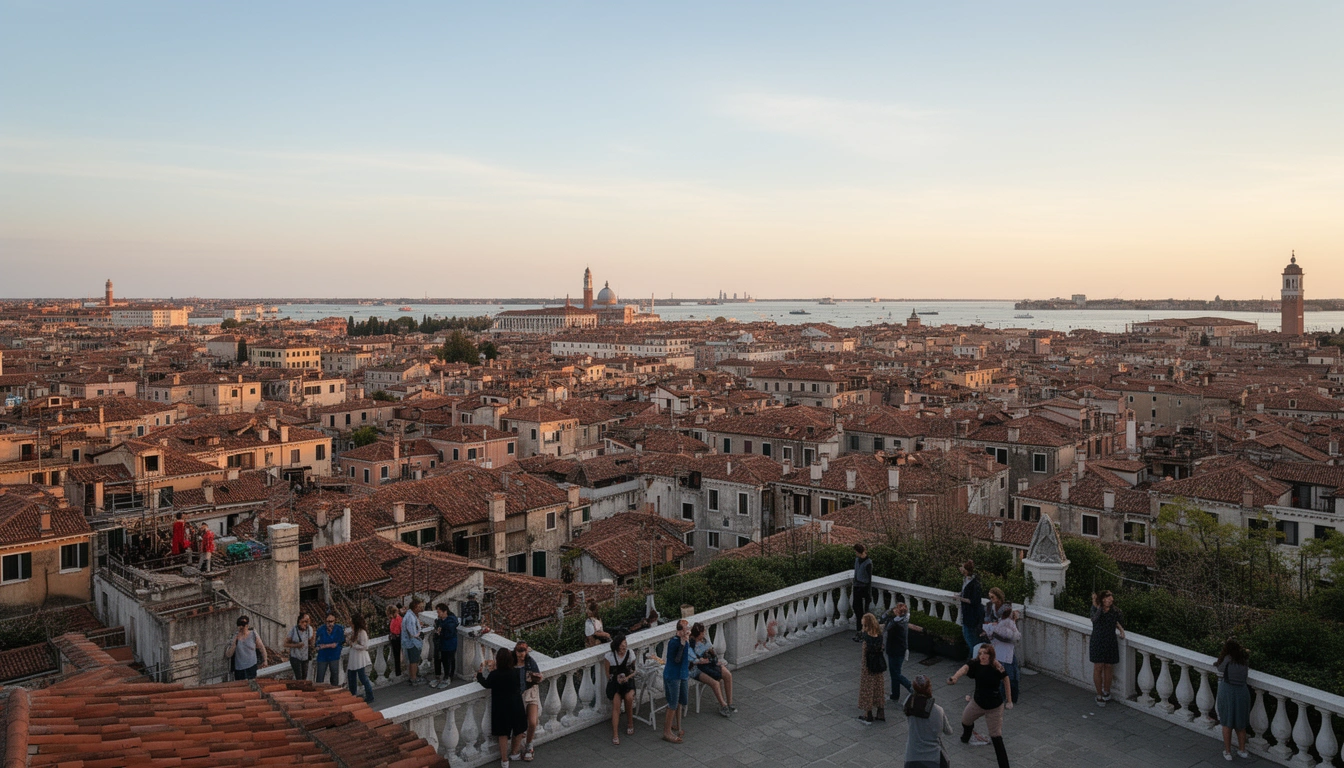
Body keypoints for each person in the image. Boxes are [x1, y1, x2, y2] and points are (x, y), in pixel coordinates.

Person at [948, 642, 1012, 768]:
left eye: (985, 653)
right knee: (966, 720)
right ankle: (966, 737)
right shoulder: (975, 663)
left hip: (994, 707)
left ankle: (1004, 766)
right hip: (977, 702)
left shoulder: (996, 665)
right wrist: (955, 677)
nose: (982, 656)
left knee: (996, 737)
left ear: (990, 655)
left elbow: (1006, 679)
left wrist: (1009, 700)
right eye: (980, 653)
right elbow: (964, 669)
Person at [477, 647, 528, 768]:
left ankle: (504, 760)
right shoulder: (515, 672)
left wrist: (479, 674)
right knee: (519, 729)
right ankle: (515, 753)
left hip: (501, 706)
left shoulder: (495, 675)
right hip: (515, 703)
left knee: (503, 733)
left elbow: (486, 684)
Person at [903, 675, 953, 768]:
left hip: (912, 756)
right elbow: (949, 731)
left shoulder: (908, 706)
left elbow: (911, 697)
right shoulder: (938, 710)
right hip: (932, 758)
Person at [1215, 638, 1251, 760]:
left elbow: (1220, 669)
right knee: (1240, 724)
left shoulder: (1228, 658)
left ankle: (1228, 752)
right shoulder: (1244, 660)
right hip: (1242, 692)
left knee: (1227, 722)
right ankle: (1242, 750)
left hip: (1228, 691)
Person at [983, 589, 1021, 704]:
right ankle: (1002, 696)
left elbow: (1009, 630)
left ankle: (1010, 696)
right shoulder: (990, 607)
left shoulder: (1007, 610)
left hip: (1005, 645)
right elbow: (986, 622)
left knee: (1009, 673)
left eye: (993, 597)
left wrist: (994, 628)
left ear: (999, 598)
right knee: (1002, 672)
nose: (991, 600)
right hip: (996, 644)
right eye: (990, 597)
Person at [689, 622, 735, 717]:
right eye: (703, 632)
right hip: (696, 669)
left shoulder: (704, 641)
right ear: (698, 633)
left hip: (710, 665)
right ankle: (723, 705)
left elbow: (712, 653)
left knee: (728, 675)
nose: (704, 634)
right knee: (715, 683)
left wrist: (713, 659)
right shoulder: (691, 644)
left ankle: (730, 703)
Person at [1089, 590, 1125, 707]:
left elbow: (1116, 621)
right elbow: (1094, 619)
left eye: (1111, 598)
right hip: (1098, 640)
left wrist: (1121, 630)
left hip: (1110, 640)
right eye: (1107, 598)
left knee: (1108, 666)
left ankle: (1106, 691)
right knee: (1098, 666)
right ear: (1102, 599)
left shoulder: (1114, 610)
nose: (1110, 601)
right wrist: (1098, 606)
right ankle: (1099, 695)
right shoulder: (1095, 608)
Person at [883, 602, 922, 704]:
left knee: (895, 673)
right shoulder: (904, 621)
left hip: (894, 650)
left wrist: (887, 615)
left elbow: (887, 628)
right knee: (895, 673)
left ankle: (911, 687)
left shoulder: (896, 624)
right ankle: (895, 695)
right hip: (901, 650)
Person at [603, 633, 638, 745]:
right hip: (616, 685)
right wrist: (617, 679)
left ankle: (630, 723)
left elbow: (634, 670)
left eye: (625, 644)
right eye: (622, 645)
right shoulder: (609, 657)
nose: (624, 647)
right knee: (616, 705)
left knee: (628, 698)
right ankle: (615, 734)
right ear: (617, 646)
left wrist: (626, 677)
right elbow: (608, 674)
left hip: (628, 682)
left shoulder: (630, 653)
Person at [661, 619, 691, 743]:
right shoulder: (674, 642)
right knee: (673, 703)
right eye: (686, 629)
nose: (688, 630)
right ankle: (667, 732)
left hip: (682, 674)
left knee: (681, 701)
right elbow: (677, 659)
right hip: (673, 675)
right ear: (680, 631)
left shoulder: (685, 641)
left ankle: (678, 726)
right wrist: (683, 644)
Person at [514, 642, 543, 761]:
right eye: (519, 653)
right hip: (517, 696)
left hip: (531, 693)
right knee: (519, 724)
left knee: (532, 722)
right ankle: (520, 747)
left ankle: (529, 745)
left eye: (524, 653)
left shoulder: (531, 662)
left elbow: (538, 676)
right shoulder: (511, 663)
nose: (522, 656)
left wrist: (537, 677)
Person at [857, 612, 887, 724]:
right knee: (879, 689)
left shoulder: (866, 637)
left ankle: (868, 714)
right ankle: (880, 712)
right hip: (878, 666)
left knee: (867, 690)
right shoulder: (879, 636)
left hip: (868, 667)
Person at [957, 561, 984, 658]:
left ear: (966, 570)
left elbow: (974, 600)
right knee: (969, 636)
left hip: (972, 615)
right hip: (967, 613)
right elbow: (966, 593)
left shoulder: (974, 584)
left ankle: (974, 658)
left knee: (969, 637)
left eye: (962, 567)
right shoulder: (966, 580)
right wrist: (960, 594)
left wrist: (960, 599)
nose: (960, 568)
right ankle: (973, 658)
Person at [225, 615, 266, 681]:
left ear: (247, 625)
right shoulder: (235, 637)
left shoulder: (253, 634)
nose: (241, 627)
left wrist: (265, 660)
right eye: (240, 625)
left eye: (243, 625)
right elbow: (228, 654)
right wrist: (234, 645)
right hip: (240, 668)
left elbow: (261, 647)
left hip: (252, 666)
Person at [346, 613, 374, 703]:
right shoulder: (354, 631)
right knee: (351, 676)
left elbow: (364, 646)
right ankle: (353, 694)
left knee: (363, 678)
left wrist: (353, 645)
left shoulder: (362, 632)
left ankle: (370, 695)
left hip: (359, 658)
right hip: (354, 656)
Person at [431, 603, 459, 689]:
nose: (438, 614)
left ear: (445, 611)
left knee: (448, 661)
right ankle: (439, 677)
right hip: (441, 644)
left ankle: (448, 677)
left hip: (449, 644)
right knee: (439, 660)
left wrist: (440, 632)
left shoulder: (451, 621)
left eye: (439, 612)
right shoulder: (440, 621)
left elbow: (449, 634)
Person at [314, 612, 345, 685]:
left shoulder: (339, 629)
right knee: (320, 678)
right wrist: (329, 645)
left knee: (334, 677)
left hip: (334, 656)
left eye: (332, 621)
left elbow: (341, 641)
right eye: (328, 621)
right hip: (323, 656)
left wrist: (328, 645)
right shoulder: (321, 629)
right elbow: (317, 644)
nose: (330, 624)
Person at [403, 599, 428, 686]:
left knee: (412, 661)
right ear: (415, 607)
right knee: (414, 661)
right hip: (412, 643)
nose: (421, 609)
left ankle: (413, 677)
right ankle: (414, 679)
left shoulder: (410, 615)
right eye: (419, 607)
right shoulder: (410, 617)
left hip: (410, 642)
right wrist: (419, 634)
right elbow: (412, 632)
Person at [284, 612, 314, 681]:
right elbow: (285, 644)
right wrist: (296, 645)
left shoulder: (309, 629)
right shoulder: (294, 630)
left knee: (304, 677)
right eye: (304, 621)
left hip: (305, 656)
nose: (305, 624)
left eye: (307, 621)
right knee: (299, 677)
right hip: (295, 656)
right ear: (299, 621)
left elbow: (311, 641)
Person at [852, 543, 874, 640]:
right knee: (856, 608)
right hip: (857, 586)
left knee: (865, 612)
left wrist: (869, 594)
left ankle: (864, 632)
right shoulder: (857, 560)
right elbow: (856, 572)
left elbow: (869, 579)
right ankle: (859, 631)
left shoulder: (868, 563)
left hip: (864, 588)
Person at [387, 604, 404, 678]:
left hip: (396, 639)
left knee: (397, 656)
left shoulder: (396, 619)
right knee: (397, 656)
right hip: (397, 637)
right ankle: (398, 672)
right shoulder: (398, 618)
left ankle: (398, 672)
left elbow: (396, 630)